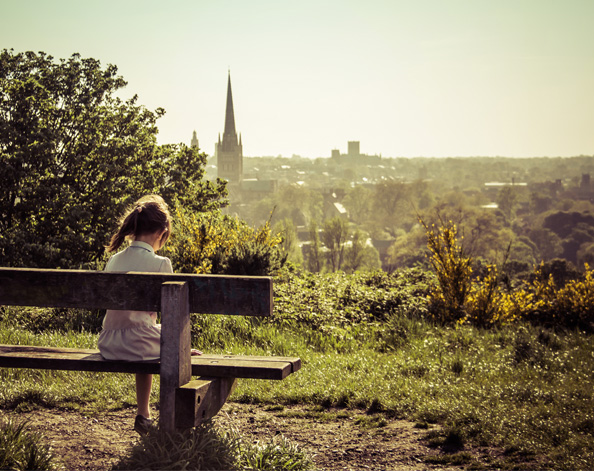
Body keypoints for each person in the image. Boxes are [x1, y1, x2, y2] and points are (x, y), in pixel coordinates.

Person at [98, 194, 201, 435]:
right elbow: (173, 314)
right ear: (162, 233)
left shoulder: (113, 260)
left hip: (109, 342)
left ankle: (143, 413)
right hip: (139, 344)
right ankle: (171, 418)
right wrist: (179, 345)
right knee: (171, 346)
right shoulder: (161, 264)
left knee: (146, 335)